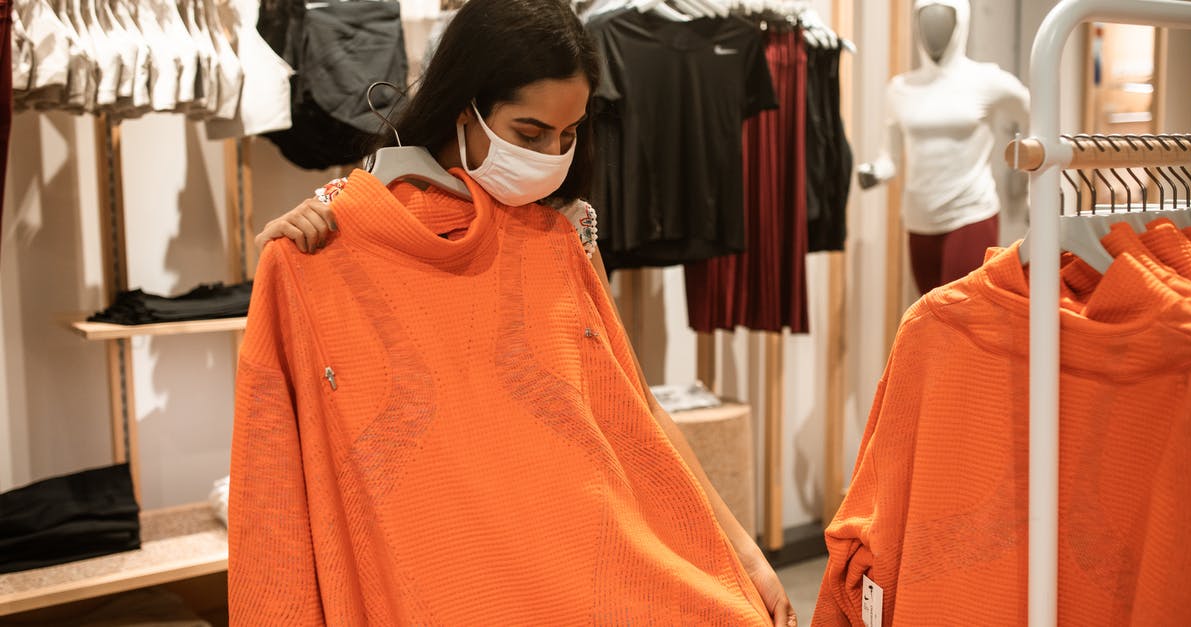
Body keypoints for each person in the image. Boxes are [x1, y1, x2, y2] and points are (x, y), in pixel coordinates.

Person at [236, 0, 797, 625]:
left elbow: (635, 410)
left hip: (588, 560)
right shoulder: (328, 245)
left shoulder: (559, 239)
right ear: (463, 104)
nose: (551, 155)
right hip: (454, 583)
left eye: (569, 134)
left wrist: (744, 555)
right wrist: (302, 250)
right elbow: (275, 477)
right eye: (529, 135)